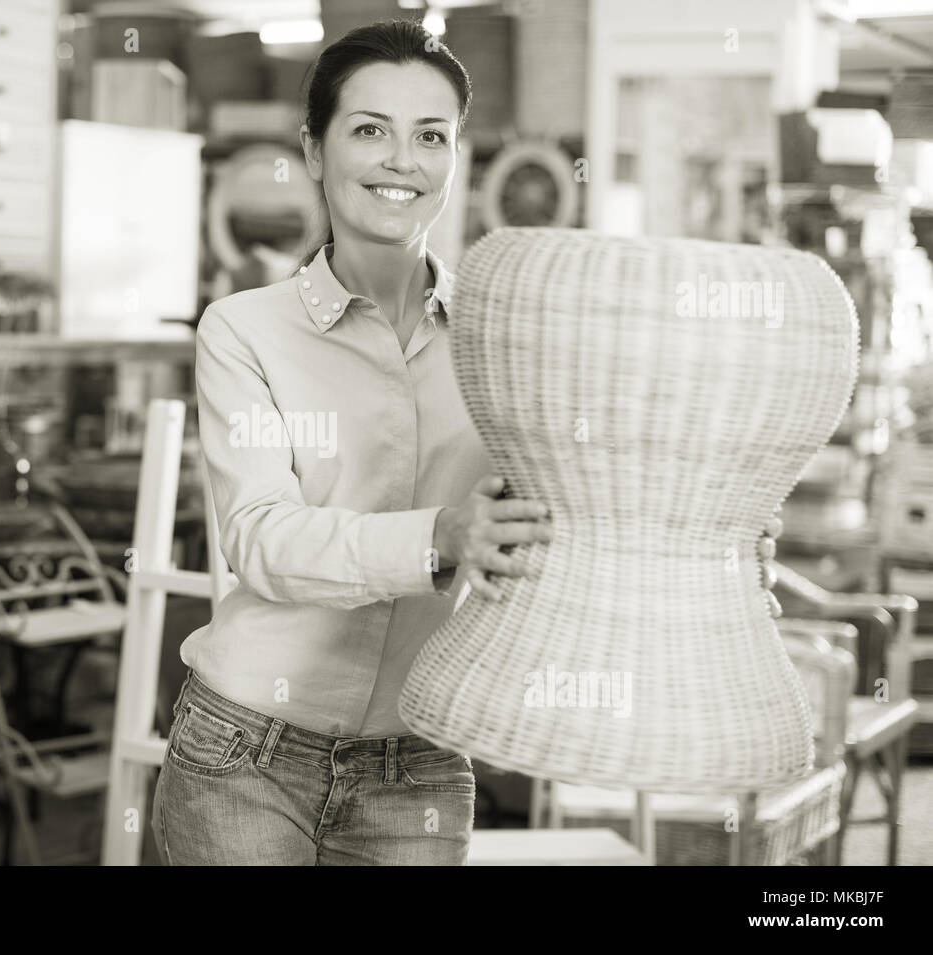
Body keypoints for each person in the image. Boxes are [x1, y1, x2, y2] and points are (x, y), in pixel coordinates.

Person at [150, 18, 782, 866]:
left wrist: (712, 535)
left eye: (430, 136)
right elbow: (263, 538)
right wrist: (440, 535)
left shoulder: (511, 339)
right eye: (369, 130)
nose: (400, 161)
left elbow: (594, 485)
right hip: (246, 758)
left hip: (421, 761)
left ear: (458, 157)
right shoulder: (244, 331)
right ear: (312, 148)